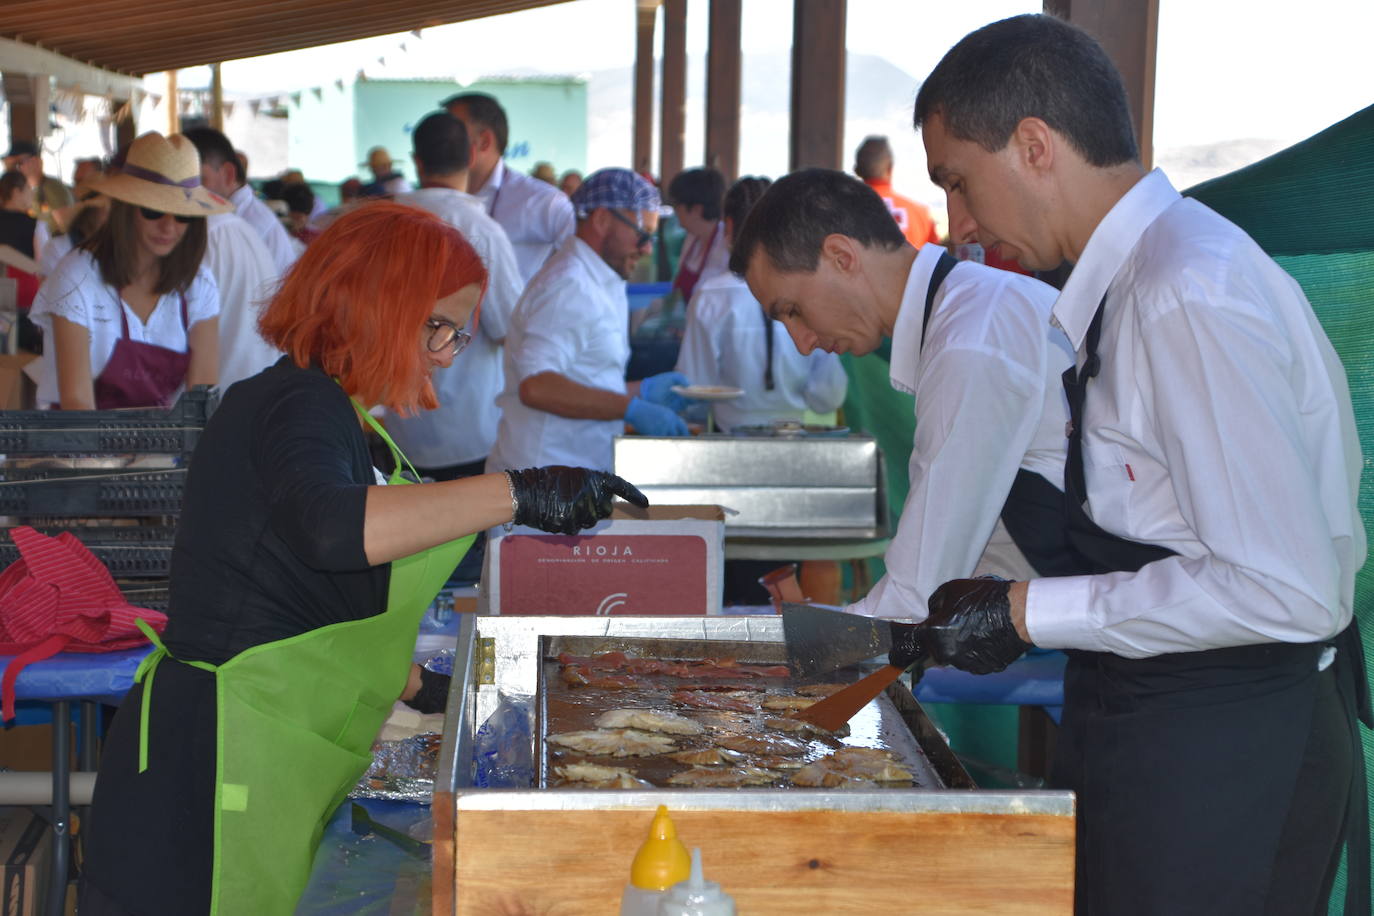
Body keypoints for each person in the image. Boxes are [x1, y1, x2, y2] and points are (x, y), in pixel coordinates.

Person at [908, 15, 1368, 916]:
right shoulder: (1132, 284)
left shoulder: (1182, 289)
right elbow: (1155, 523)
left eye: (960, 183)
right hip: (1155, 720)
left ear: (1034, 145)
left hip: (1229, 747)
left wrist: (1029, 610)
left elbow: (1289, 589)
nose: (959, 226)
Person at [75, 201, 647, 916]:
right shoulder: (294, 405)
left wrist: (419, 686)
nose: (443, 354)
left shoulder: (348, 422)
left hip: (269, 751)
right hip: (207, 772)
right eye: (436, 327)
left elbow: (295, 594)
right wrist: (515, 493)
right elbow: (330, 530)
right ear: (372, 308)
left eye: (455, 335)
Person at [732, 168, 1073, 617]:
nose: (802, 342)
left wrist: (793, 651)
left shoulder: (969, 342)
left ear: (841, 256)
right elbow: (985, 546)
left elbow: (915, 597)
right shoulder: (970, 309)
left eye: (793, 310)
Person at [487, 168, 691, 473]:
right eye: (641, 234)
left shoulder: (601, 279)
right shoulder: (570, 286)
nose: (647, 248)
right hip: (543, 482)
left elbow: (586, 381)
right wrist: (630, 408)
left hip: (573, 475)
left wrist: (640, 391)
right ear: (601, 219)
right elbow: (537, 386)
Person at [28, 132, 224, 410]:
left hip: (160, 446)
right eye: (153, 211)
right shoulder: (77, 278)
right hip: (76, 444)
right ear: (126, 209)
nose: (169, 227)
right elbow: (77, 401)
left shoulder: (198, 285)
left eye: (183, 215)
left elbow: (201, 396)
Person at [388, 111, 523, 482]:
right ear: (470, 159)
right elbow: (506, 328)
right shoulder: (481, 230)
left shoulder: (387, 222)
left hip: (397, 422)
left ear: (416, 161)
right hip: (467, 426)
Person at [677, 176, 848, 433]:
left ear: (729, 226)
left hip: (729, 438)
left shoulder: (711, 296)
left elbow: (694, 385)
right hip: (796, 436)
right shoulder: (813, 292)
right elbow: (829, 396)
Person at [183, 128, 283, 393]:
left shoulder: (208, 233)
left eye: (194, 179)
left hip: (221, 397)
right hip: (250, 394)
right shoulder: (240, 227)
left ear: (227, 173)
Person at [443, 91, 575, 283]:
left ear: (485, 141)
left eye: (452, 134)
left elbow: (577, 269)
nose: (442, 143)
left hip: (517, 313)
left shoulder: (543, 201)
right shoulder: (438, 198)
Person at [182, 126, 297, 274]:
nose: (186, 191)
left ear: (228, 174)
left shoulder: (244, 224)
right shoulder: (239, 218)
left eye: (197, 180)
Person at [854, 135, 940, 247]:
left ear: (858, 169)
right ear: (890, 168)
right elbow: (935, 259)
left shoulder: (841, 212)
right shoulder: (920, 214)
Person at [666, 167, 729, 302]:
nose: (675, 212)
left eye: (677, 206)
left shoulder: (726, 245)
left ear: (696, 209)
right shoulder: (692, 238)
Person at [3, 139, 73, 234]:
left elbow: (65, 225)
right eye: (12, 166)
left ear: (36, 161)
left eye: (19, 163)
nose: (16, 169)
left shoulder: (52, 188)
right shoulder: (13, 189)